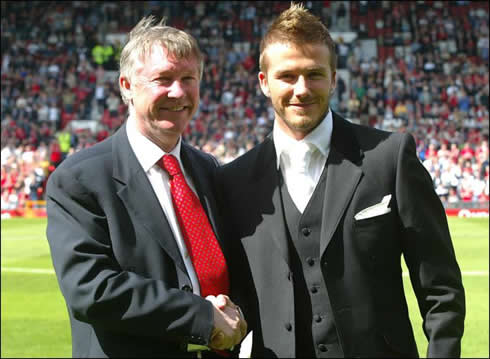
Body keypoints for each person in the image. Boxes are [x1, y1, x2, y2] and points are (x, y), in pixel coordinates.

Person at [215, 4, 465, 358]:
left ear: (334, 78)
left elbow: (440, 287)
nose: (301, 89)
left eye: (314, 74)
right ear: (263, 83)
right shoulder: (233, 181)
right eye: (287, 76)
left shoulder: (389, 158)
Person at [46, 16, 246, 358]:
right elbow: (92, 290)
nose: (178, 92)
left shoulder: (209, 170)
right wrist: (201, 318)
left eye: (188, 79)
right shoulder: (80, 179)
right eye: (163, 79)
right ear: (126, 85)